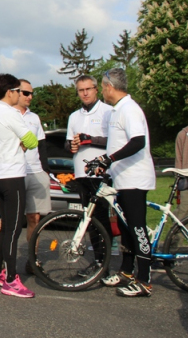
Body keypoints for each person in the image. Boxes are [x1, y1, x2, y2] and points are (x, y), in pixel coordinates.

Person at [92, 68, 157, 297]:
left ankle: (144, 281)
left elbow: (138, 141)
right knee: (127, 229)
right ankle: (127, 272)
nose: (101, 91)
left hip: (135, 179)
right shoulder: (117, 110)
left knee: (137, 228)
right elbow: (117, 144)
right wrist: (107, 166)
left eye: (102, 86)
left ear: (110, 87)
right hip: (122, 178)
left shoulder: (130, 109)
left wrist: (109, 158)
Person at [0, 73, 38, 298]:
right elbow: (32, 141)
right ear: (10, 93)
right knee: (14, 230)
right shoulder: (11, 113)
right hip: (13, 176)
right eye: (18, 90)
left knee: (5, 228)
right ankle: (11, 280)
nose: (20, 94)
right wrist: (23, 145)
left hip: (0, 176)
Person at [65, 74, 113, 275]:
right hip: (81, 173)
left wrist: (89, 139)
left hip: (101, 173)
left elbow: (114, 141)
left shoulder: (108, 112)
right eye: (81, 90)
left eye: (88, 89)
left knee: (103, 219)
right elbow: (68, 144)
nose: (85, 93)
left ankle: (107, 265)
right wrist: (73, 145)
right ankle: (99, 261)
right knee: (89, 220)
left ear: (96, 89)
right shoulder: (74, 116)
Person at [15, 79, 52, 275]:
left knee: (34, 218)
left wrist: (45, 171)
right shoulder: (7, 115)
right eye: (26, 93)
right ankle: (2, 261)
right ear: (16, 93)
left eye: (31, 94)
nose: (30, 97)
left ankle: (32, 259)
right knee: (8, 219)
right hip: (16, 172)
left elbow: (42, 146)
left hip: (35, 172)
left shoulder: (34, 118)